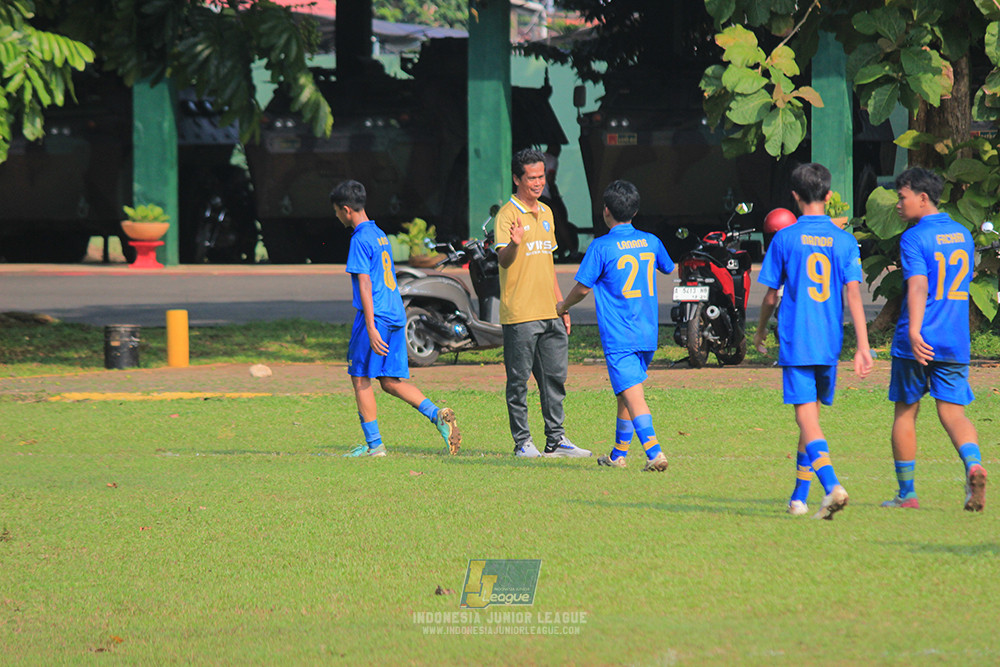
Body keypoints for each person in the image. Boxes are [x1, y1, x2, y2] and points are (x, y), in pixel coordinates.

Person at [752, 163, 873, 519]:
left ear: (794, 197)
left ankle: (832, 485)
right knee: (812, 420)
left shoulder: (785, 238)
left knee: (805, 418)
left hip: (797, 340)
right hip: (829, 342)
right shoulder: (844, 239)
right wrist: (863, 346)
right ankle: (798, 498)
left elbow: (771, 297)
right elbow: (854, 296)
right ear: (829, 196)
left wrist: (759, 332)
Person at [330, 180, 461, 457]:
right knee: (389, 380)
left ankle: (374, 446)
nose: (337, 217)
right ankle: (437, 415)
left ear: (345, 210)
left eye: (337, 212)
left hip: (375, 317)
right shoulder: (379, 234)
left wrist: (369, 327)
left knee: (360, 378)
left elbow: (365, 285)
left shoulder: (359, 239)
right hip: (395, 314)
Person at [882, 167, 987, 511]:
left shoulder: (914, 238)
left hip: (919, 339)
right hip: (955, 339)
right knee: (953, 413)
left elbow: (918, 285)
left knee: (905, 413)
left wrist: (913, 329)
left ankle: (907, 494)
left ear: (922, 198)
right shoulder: (962, 234)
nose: (898, 204)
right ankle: (973, 465)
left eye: (902, 197)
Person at [556, 180, 674, 471]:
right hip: (647, 332)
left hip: (620, 334)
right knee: (626, 391)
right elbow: (668, 267)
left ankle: (654, 452)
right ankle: (618, 454)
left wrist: (563, 306)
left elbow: (583, 288)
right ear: (635, 211)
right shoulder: (651, 241)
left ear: (606, 211)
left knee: (633, 395)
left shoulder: (601, 246)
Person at [494, 148, 589, 458]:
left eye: (541, 177)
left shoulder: (547, 213)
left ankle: (556, 440)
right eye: (531, 178)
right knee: (519, 382)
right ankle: (523, 442)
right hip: (520, 314)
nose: (537, 183)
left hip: (550, 311)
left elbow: (547, 265)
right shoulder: (507, 215)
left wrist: (561, 306)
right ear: (516, 178)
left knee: (554, 379)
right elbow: (504, 261)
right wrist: (514, 244)